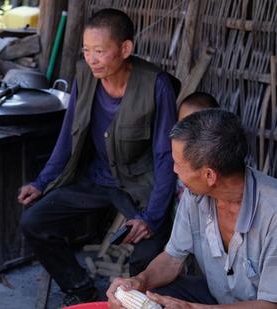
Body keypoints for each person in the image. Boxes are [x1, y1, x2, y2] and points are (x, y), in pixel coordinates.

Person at [17, 8, 178, 307]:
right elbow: (68, 137)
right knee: (34, 221)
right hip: (96, 179)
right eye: (86, 50)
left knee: (145, 256)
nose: (91, 59)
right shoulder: (85, 75)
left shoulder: (156, 85)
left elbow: (165, 158)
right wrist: (42, 182)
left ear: (125, 49)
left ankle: (129, 302)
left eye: (100, 51)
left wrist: (151, 218)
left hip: (139, 187)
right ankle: (79, 286)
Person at [107, 109, 277, 307]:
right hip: (216, 299)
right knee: (152, 295)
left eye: (179, 164)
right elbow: (172, 259)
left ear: (209, 176)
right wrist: (139, 281)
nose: (174, 170)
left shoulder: (272, 212)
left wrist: (192, 308)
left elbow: (269, 305)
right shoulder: (196, 193)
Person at [175, 92, 220, 203]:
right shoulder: (177, 156)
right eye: (182, 126)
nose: (186, 133)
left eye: (193, 127)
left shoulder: (218, 163)